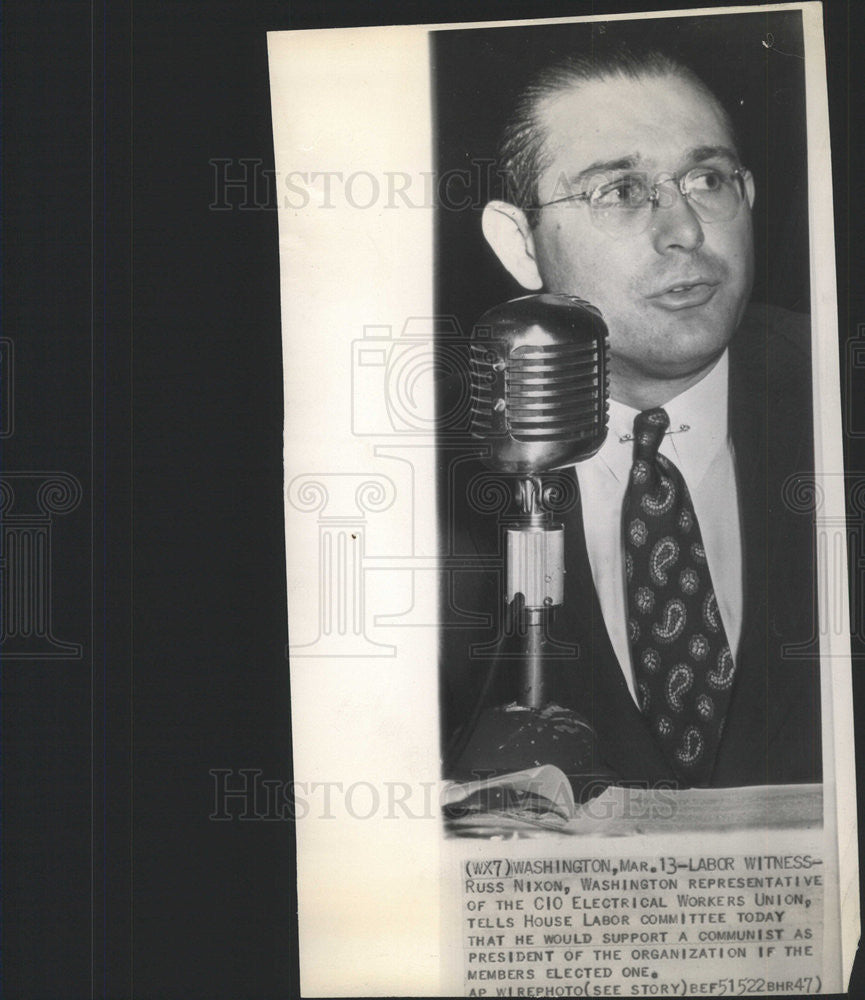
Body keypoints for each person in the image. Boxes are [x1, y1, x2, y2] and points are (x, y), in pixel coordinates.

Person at [442, 47, 821, 788]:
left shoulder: (836, 391)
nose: (683, 229)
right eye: (619, 191)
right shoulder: (420, 463)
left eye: (708, 180)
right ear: (519, 244)